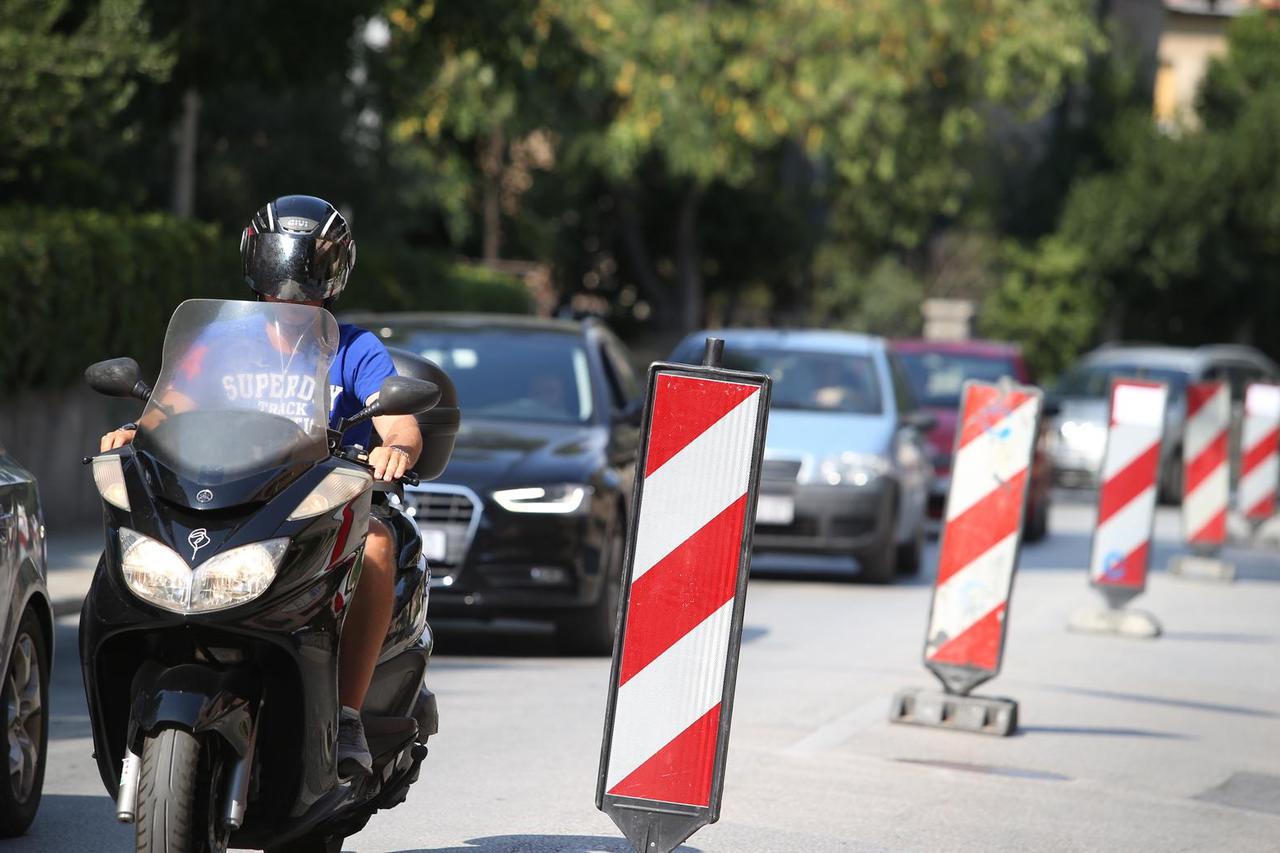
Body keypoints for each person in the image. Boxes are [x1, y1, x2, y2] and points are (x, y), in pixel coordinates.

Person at [99, 195, 421, 778]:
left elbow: (400, 421)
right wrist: (134, 430)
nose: (295, 283)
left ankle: (346, 714)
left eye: (312, 266)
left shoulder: (352, 348)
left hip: (315, 502)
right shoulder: (222, 340)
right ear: (259, 262)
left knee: (376, 546)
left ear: (335, 272)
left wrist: (394, 448)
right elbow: (169, 406)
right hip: (232, 501)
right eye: (284, 264)